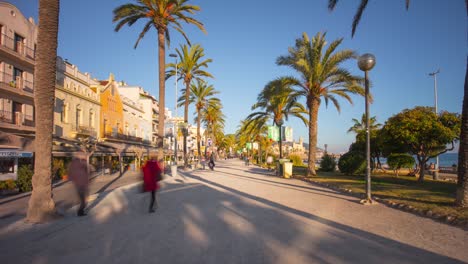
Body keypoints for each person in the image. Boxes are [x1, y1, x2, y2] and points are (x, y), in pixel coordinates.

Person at [68, 152, 90, 217]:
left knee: (84, 200)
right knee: (83, 201)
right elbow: (71, 175)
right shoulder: (76, 164)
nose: (85, 157)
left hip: (82, 184)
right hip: (80, 185)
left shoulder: (80, 163)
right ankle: (80, 212)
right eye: (83, 156)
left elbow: (84, 174)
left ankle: (81, 211)